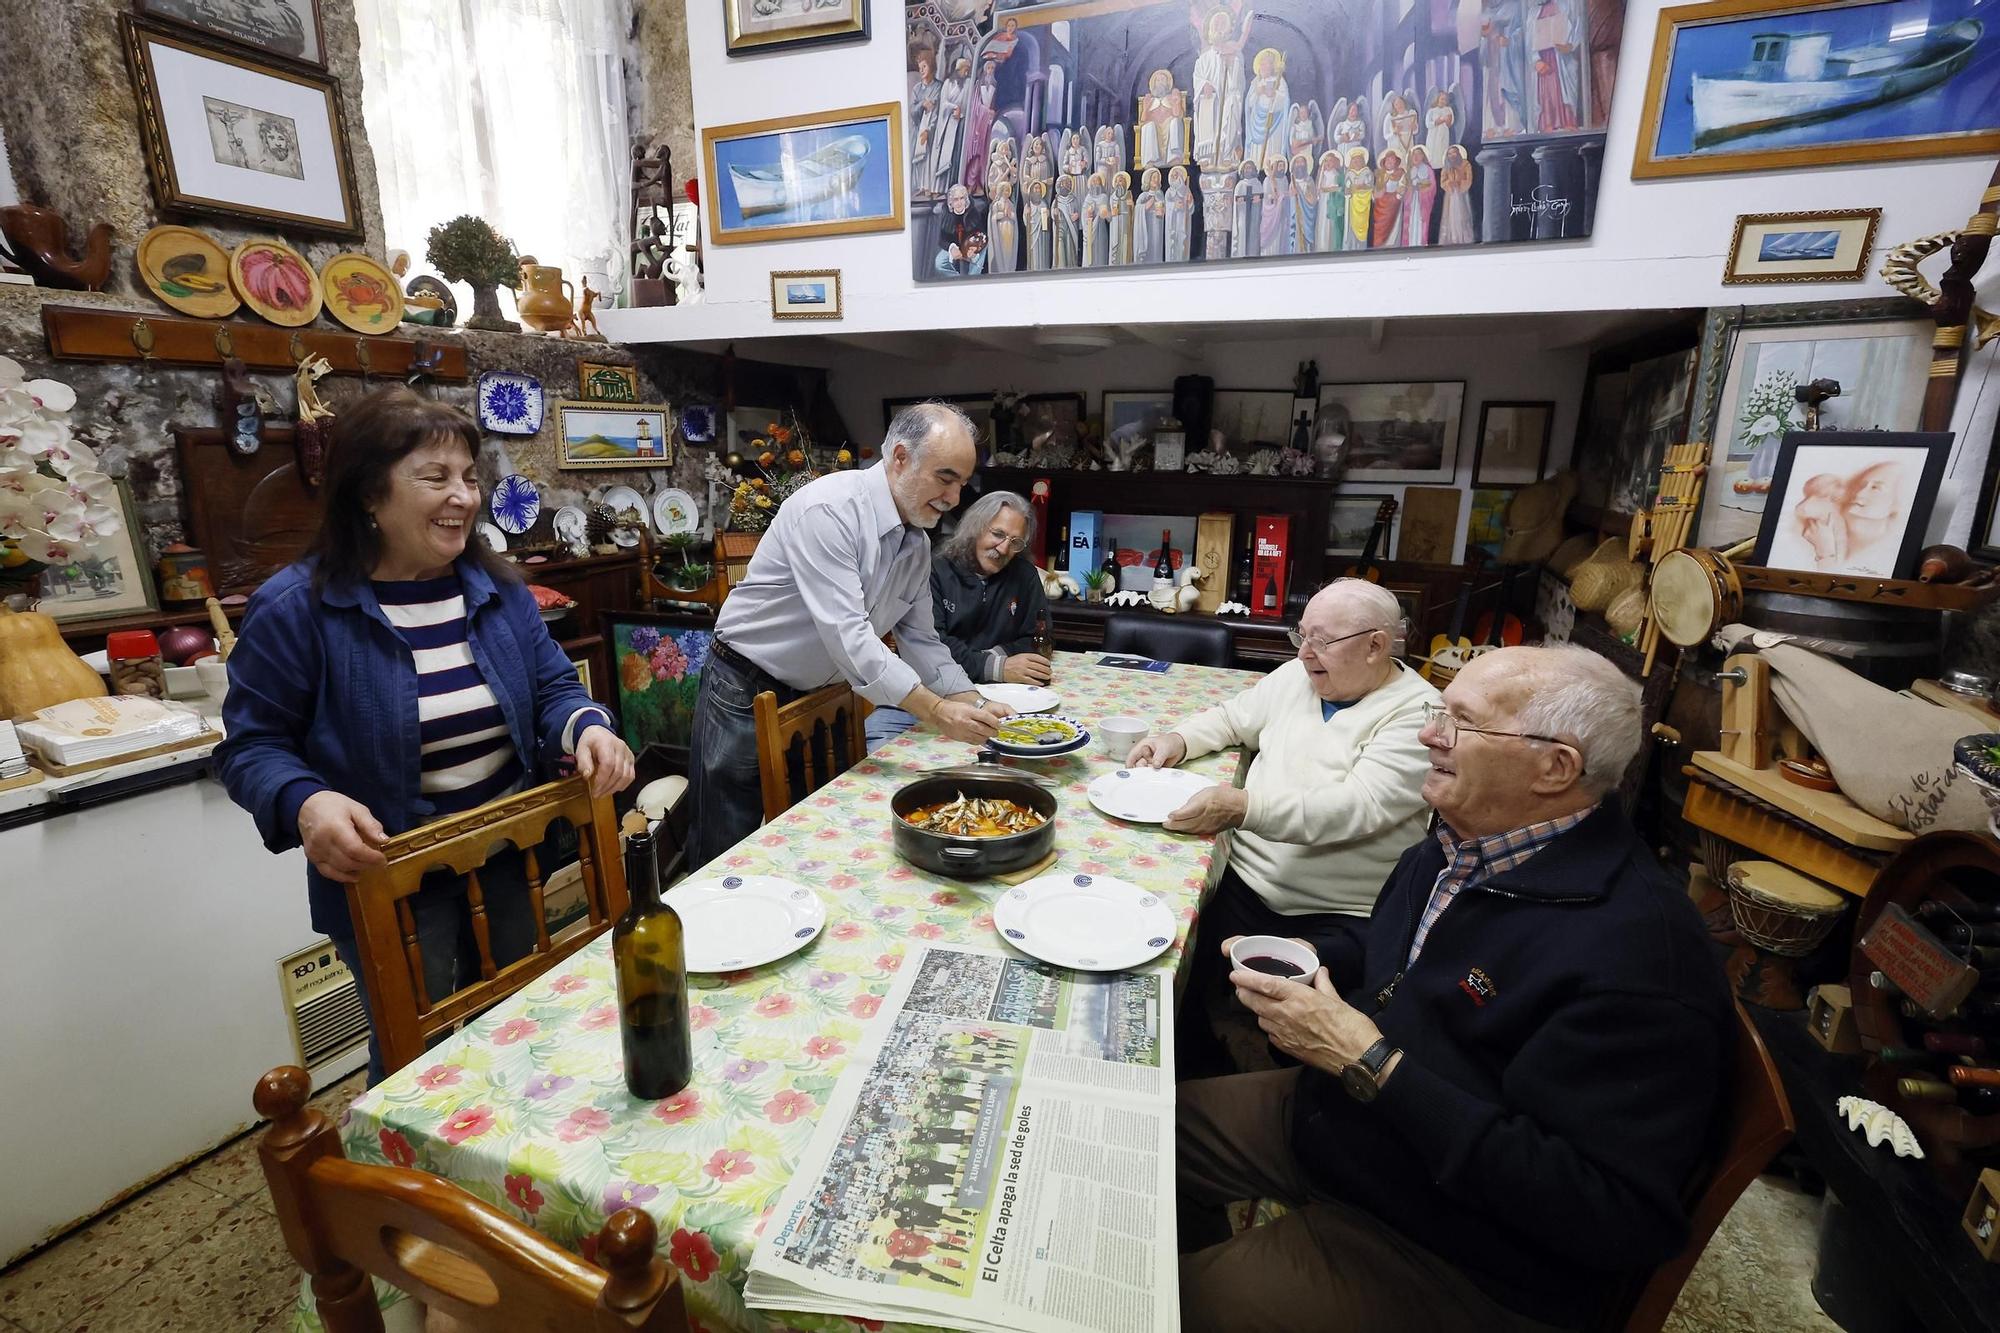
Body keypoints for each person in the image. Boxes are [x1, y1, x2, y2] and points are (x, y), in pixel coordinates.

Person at [1177, 644, 1733, 1331]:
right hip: (1348, 1127)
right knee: (1125, 1134)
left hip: (1450, 1251)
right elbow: (1412, 955)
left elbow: (1608, 1212)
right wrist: (1318, 955)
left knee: (1138, 1305)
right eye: (1439, 712)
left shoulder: (1640, 958)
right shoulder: (1462, 843)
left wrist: (1371, 1062)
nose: (1428, 735)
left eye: (1461, 722)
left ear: (1555, 767)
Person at [216, 388, 636, 1084]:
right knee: (421, 1062)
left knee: (521, 1026)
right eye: (435, 477)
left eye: (469, 476)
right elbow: (249, 747)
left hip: (508, 856)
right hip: (390, 878)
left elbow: (553, 690)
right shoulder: (297, 609)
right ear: (368, 495)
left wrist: (586, 726)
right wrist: (307, 802)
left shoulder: (497, 590)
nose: (463, 497)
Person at [685, 402, 1007, 869]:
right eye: (945, 478)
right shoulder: (829, 511)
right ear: (900, 457)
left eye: (962, 483)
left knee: (813, 835)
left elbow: (921, 640)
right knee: (723, 845)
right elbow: (851, 637)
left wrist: (972, 701)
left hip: (819, 693)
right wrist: (937, 712)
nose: (954, 498)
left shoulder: (916, 543)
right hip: (743, 684)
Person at [1129, 579, 1435, 1064]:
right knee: (1164, 962)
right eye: (1302, 635)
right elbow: (1233, 719)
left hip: (1337, 912)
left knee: (1295, 1033)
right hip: (1244, 883)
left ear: (1376, 645)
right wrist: (1177, 740)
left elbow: (1356, 806)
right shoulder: (1297, 675)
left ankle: (1257, 1087)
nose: (1305, 652)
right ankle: (1191, 1063)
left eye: (1322, 640)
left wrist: (1243, 807)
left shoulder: (1418, 714)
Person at [869, 490, 1053, 747]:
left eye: (1015, 542)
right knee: (875, 745)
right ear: (975, 527)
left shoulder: (1024, 574)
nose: (1003, 548)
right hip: (923, 696)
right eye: (997, 534)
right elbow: (934, 645)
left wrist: (990, 658)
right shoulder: (933, 566)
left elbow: (1038, 638)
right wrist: (996, 666)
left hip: (994, 698)